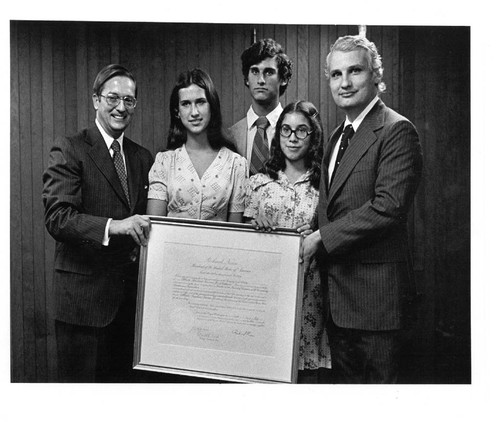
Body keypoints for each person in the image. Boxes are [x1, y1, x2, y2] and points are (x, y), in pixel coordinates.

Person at [301, 35, 423, 383]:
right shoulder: (338, 135)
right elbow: (332, 207)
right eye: (336, 74)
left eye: (355, 71)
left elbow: (388, 207)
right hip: (337, 302)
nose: (345, 82)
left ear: (375, 76)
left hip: (377, 306)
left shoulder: (397, 130)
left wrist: (321, 238)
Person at [42, 64, 154, 382]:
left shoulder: (143, 157)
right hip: (83, 307)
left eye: (129, 100)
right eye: (113, 98)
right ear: (95, 99)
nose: (121, 107)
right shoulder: (69, 148)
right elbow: (58, 218)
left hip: (129, 308)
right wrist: (113, 226)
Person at [244, 100, 331, 383]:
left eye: (301, 131)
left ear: (313, 136)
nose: (293, 138)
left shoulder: (324, 188)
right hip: (266, 297)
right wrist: (255, 227)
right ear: (277, 135)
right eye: (286, 130)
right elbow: (241, 244)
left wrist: (318, 230)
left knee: (306, 383)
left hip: (312, 296)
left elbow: (335, 236)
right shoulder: (258, 183)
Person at [147, 68, 247, 222]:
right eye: (186, 104)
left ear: (212, 106)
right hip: (172, 245)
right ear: (177, 112)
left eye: (200, 102)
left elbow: (236, 231)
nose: (194, 112)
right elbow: (154, 226)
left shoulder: (236, 164)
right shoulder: (164, 162)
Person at [228, 38, 293, 176]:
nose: (261, 80)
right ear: (246, 78)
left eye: (269, 72)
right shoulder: (231, 136)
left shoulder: (296, 131)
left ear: (283, 79)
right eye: (254, 71)